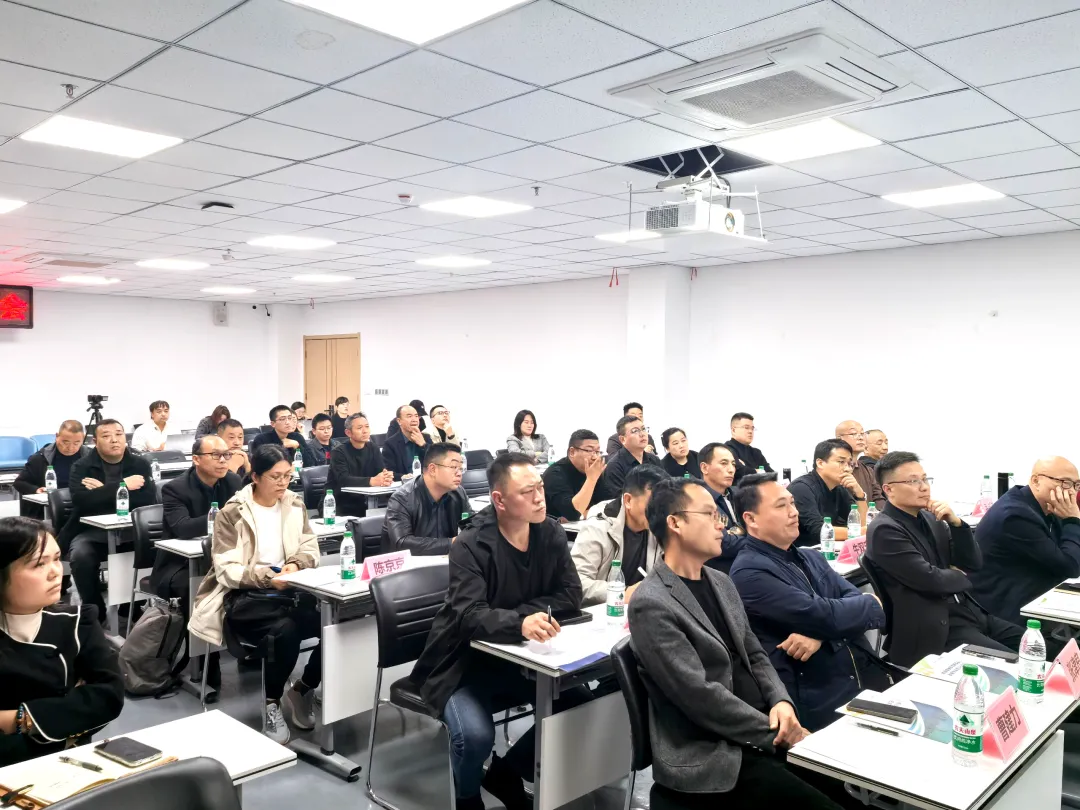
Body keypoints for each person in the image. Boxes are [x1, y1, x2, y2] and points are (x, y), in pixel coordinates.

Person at [628, 477, 838, 810]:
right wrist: (778, 732)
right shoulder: (652, 603)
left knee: (852, 786)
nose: (721, 526)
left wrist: (781, 702)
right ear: (675, 523)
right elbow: (699, 696)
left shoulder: (720, 581)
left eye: (720, 516)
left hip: (761, 727)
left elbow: (754, 654)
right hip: (714, 750)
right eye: (710, 515)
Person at [411, 453, 591, 810]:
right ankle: (467, 797)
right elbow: (470, 616)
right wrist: (521, 621)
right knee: (475, 737)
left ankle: (507, 771)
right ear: (499, 500)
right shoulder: (470, 544)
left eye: (540, 487)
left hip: (523, 658)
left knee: (581, 705)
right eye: (527, 492)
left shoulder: (550, 532)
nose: (540, 498)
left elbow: (571, 595)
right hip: (463, 665)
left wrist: (516, 618)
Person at [729, 473, 891, 731]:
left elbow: (843, 607)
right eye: (781, 506)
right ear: (751, 519)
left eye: (792, 503)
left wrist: (820, 635)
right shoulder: (749, 572)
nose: (793, 512)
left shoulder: (809, 557)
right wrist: (865, 605)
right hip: (818, 695)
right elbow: (828, 615)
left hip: (861, 674)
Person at [189, 445, 322, 744]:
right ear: (256, 477)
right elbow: (227, 570)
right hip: (246, 598)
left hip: (291, 591)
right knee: (285, 631)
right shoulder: (232, 512)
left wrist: (294, 565)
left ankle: (302, 689)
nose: (283, 482)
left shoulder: (294, 504)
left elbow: (310, 547)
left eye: (287, 475)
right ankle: (271, 702)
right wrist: (267, 578)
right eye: (275, 476)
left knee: (334, 622)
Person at [865, 451, 1024, 668]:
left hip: (969, 611)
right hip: (936, 628)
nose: (924, 487)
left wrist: (957, 524)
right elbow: (931, 580)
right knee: (1017, 666)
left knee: (1036, 647)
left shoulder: (931, 517)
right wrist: (959, 575)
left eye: (925, 479)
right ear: (889, 489)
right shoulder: (884, 529)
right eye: (913, 481)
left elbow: (973, 563)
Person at [0, 517, 124, 766]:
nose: (56, 572)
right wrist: (64, 724)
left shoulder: (77, 622)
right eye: (39, 564)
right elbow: (86, 707)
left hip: (70, 764)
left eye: (56, 559)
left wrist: (18, 719)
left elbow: (108, 697)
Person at [148, 434, 240, 692]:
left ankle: (244, 646)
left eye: (226, 455)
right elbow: (182, 528)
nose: (223, 461)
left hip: (222, 557)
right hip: (178, 564)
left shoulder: (233, 481)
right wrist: (223, 516)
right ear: (196, 459)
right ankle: (205, 659)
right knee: (199, 588)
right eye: (216, 455)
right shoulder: (175, 488)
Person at [60, 420, 156, 619]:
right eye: (106, 436)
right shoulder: (82, 466)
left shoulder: (140, 464)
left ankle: (131, 606)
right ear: (95, 441)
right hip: (90, 531)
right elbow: (82, 501)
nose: (114, 440)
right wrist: (123, 486)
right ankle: (94, 609)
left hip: (131, 530)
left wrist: (101, 491)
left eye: (119, 434)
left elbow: (146, 499)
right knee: (81, 556)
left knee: (148, 550)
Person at [970, 457, 1080, 625]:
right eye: (1064, 483)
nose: (1071, 492)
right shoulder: (1015, 516)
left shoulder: (1047, 506)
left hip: (1035, 596)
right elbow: (1070, 567)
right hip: (1003, 612)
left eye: (1076, 485)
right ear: (1036, 481)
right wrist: (1073, 520)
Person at [572, 465, 664, 606]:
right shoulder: (598, 526)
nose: (659, 512)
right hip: (604, 612)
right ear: (628, 500)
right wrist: (622, 593)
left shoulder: (662, 526)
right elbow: (576, 583)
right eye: (652, 504)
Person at [380, 443, 472, 556]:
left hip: (447, 562)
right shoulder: (402, 498)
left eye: (461, 468)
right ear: (432, 469)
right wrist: (451, 543)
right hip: (410, 565)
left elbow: (473, 527)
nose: (459, 474)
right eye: (453, 467)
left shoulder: (458, 493)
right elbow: (402, 543)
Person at [788, 439, 866, 547]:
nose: (847, 469)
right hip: (803, 551)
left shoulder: (839, 487)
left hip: (827, 548)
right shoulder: (801, 488)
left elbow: (860, 523)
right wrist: (860, 532)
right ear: (820, 463)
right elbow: (819, 530)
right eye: (841, 462)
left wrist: (859, 493)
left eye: (849, 463)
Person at [327, 413, 393, 519]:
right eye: (359, 428)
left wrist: (386, 477)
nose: (365, 431)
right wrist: (371, 481)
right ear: (348, 432)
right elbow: (343, 479)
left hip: (366, 500)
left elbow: (381, 471)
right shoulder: (338, 452)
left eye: (367, 426)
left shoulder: (373, 448)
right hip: (340, 502)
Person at [14, 420, 89, 511]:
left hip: (83, 505)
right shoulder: (40, 458)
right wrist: (36, 490)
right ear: (57, 436)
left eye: (76, 443)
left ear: (83, 439)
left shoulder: (90, 457)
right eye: (65, 442)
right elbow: (19, 483)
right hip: (50, 507)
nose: (70, 447)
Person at [698, 442, 745, 573]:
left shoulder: (739, 494)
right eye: (724, 463)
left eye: (733, 464)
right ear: (704, 468)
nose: (731, 469)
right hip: (719, 571)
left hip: (747, 564)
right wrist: (755, 540)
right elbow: (725, 544)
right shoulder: (698, 499)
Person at [542, 429, 606, 521]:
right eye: (589, 450)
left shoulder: (594, 470)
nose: (595, 457)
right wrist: (591, 479)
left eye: (597, 451)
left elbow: (606, 504)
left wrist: (587, 512)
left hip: (588, 523)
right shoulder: (555, 474)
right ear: (572, 452)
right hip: (560, 527)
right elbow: (572, 514)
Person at [599, 414, 663, 499]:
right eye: (635, 431)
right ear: (623, 439)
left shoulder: (654, 459)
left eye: (643, 429)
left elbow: (666, 486)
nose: (642, 434)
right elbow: (620, 501)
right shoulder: (615, 466)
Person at [249, 405, 319, 468]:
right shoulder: (262, 439)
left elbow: (311, 464)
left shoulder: (297, 437)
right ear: (273, 424)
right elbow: (260, 466)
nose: (288, 422)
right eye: (282, 419)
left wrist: (297, 446)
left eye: (290, 418)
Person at [835, 420, 884, 508]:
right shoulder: (833, 468)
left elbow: (878, 498)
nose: (860, 438)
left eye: (862, 433)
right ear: (839, 439)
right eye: (854, 434)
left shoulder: (868, 470)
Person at [382, 403, 433, 479]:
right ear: (399, 421)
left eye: (416, 416)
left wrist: (423, 445)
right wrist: (403, 476)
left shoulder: (426, 438)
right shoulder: (390, 444)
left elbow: (436, 461)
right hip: (404, 484)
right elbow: (389, 472)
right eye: (409, 416)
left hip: (426, 482)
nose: (414, 420)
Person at [725, 412, 774, 483]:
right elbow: (739, 471)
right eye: (746, 428)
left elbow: (771, 474)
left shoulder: (756, 452)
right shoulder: (726, 450)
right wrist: (758, 471)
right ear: (733, 430)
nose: (750, 431)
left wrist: (749, 469)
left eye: (752, 428)